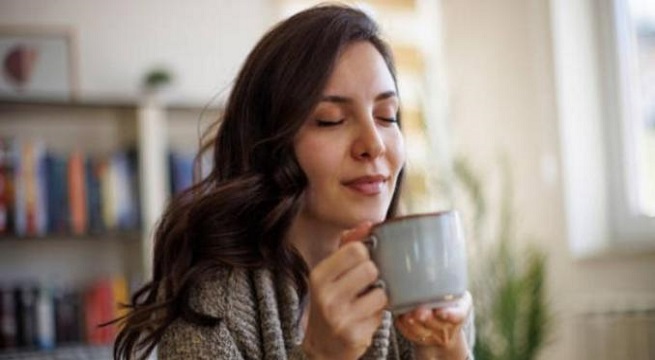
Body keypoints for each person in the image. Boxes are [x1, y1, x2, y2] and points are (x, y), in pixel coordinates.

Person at [113, 4, 475, 360]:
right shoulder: (210, 311)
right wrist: (320, 355)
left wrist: (446, 351)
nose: (374, 144)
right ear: (270, 144)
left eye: (387, 115)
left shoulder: (425, 287)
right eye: (331, 119)